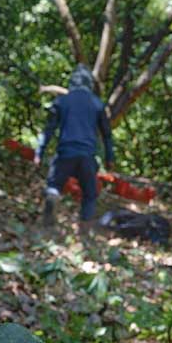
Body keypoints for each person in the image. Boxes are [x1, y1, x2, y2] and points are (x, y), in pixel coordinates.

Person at [34, 65, 115, 235]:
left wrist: (39, 152)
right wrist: (109, 158)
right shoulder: (97, 104)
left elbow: (49, 129)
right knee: (90, 194)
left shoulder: (62, 101)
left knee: (54, 185)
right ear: (89, 83)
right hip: (87, 155)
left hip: (65, 152)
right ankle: (84, 233)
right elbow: (107, 135)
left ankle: (49, 220)